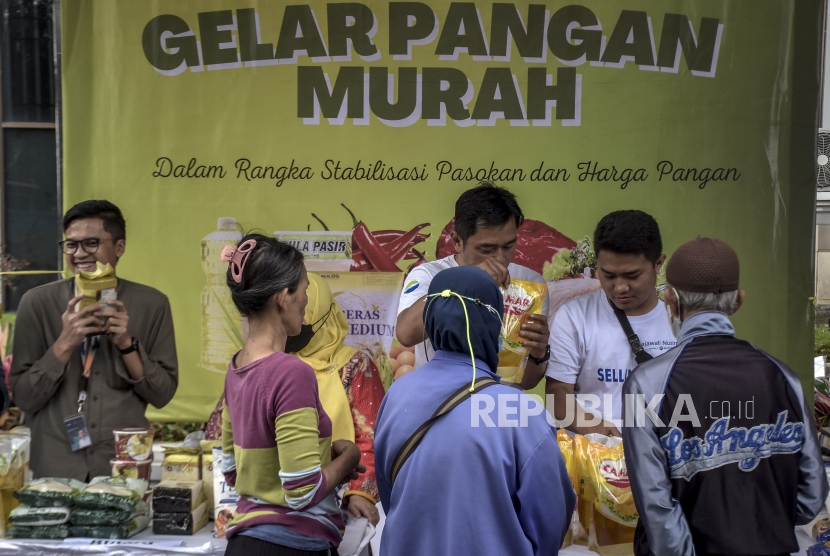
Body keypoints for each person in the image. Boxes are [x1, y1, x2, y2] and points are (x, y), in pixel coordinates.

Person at [621, 238, 827, 556]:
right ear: (737, 302)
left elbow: (656, 505)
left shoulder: (645, 383)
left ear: (670, 300)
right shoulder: (784, 378)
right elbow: (810, 498)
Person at [376, 266, 575, 556]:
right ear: (493, 324)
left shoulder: (397, 394)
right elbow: (550, 518)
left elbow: (390, 493)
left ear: (430, 322)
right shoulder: (518, 410)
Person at [10, 200, 178, 480]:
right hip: (55, 465)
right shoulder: (36, 302)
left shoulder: (151, 304)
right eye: (71, 244)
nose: (80, 253)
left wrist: (126, 343)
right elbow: (25, 398)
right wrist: (65, 343)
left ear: (119, 247)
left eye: (91, 243)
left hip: (123, 465)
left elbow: (162, 395)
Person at [220, 234, 364, 556]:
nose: (305, 300)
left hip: (244, 543)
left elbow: (232, 471)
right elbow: (302, 491)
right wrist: (347, 459)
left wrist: (323, 452)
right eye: (303, 289)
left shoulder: (236, 367)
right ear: (284, 297)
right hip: (291, 545)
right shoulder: (291, 372)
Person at [395, 182, 551, 388]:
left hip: (496, 409)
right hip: (442, 404)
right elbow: (406, 334)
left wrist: (539, 354)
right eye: (487, 248)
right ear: (457, 241)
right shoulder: (429, 275)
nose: (501, 257)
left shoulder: (530, 284)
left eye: (509, 245)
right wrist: (469, 279)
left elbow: (526, 383)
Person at [545, 210, 676, 435]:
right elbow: (557, 395)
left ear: (658, 264)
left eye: (632, 276)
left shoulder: (680, 324)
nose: (620, 287)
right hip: (592, 459)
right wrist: (607, 436)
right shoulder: (573, 316)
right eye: (609, 275)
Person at [286, 273, 386, 528]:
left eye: (305, 310)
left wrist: (358, 491)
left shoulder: (354, 365)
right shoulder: (267, 361)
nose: (296, 324)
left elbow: (372, 435)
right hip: (275, 499)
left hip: (337, 499)